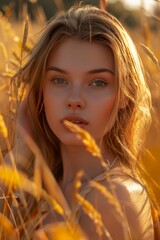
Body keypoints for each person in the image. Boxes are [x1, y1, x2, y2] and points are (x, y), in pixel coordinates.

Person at [0, 4, 158, 240]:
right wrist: (21, 153)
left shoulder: (115, 199)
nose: (74, 100)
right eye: (59, 80)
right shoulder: (38, 188)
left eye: (98, 83)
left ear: (125, 95)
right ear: (38, 92)